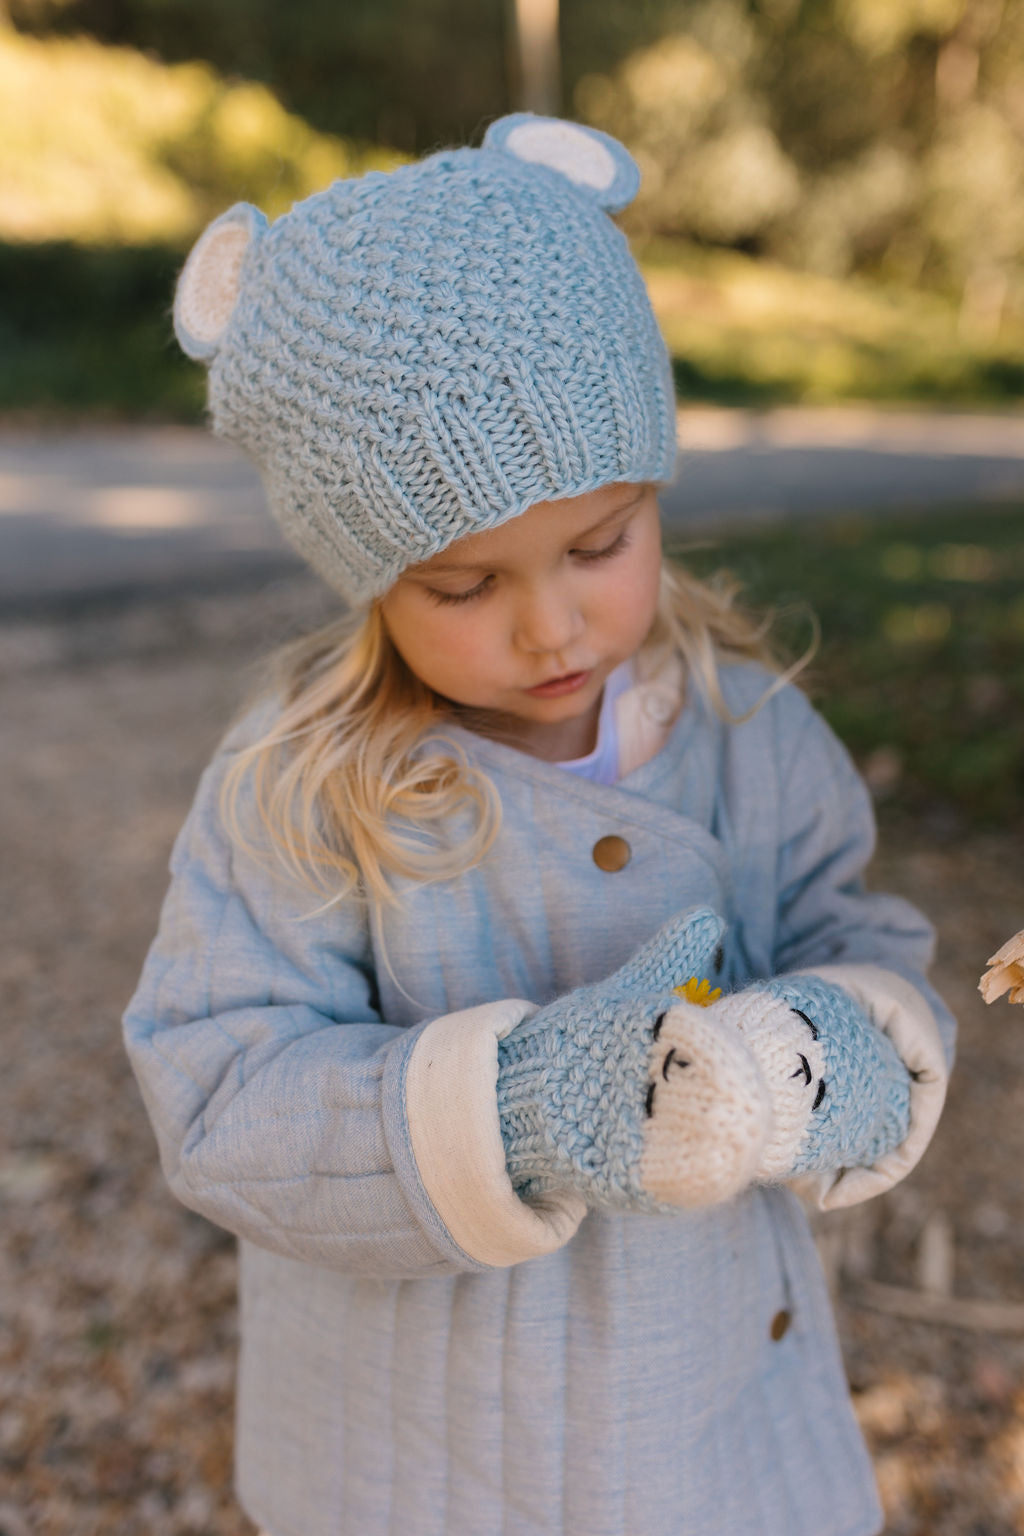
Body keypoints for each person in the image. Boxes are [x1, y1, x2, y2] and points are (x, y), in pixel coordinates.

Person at [124, 114, 954, 1536]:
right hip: (430, 1456)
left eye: (599, 543)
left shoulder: (748, 730)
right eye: (464, 586)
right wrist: (515, 1113)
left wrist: (837, 1052)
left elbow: (855, 930)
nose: (552, 626)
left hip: (708, 1423)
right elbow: (219, 1092)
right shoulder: (301, 787)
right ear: (367, 576)